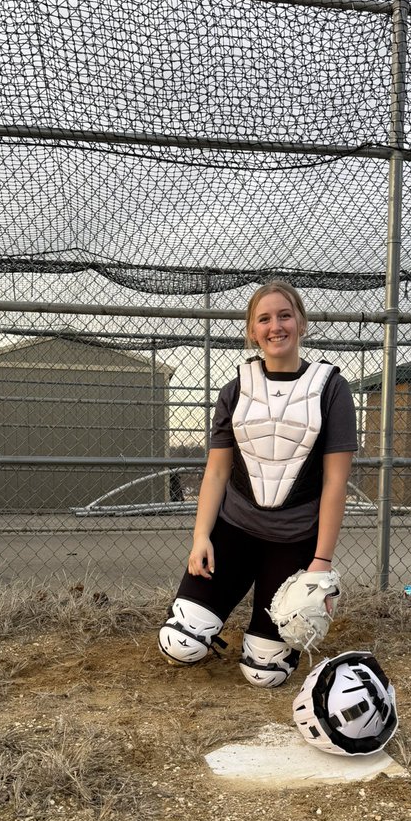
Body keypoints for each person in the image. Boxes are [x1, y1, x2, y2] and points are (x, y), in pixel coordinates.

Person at [158, 281, 357, 687]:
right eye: (264, 319)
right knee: (180, 642)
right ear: (252, 330)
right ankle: (210, 621)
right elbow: (215, 472)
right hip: (234, 531)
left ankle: (261, 640)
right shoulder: (236, 389)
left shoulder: (331, 388)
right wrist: (201, 537)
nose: (275, 326)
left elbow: (337, 483)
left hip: (294, 539)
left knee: (265, 673)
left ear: (301, 322)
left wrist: (321, 563)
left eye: (285, 315)